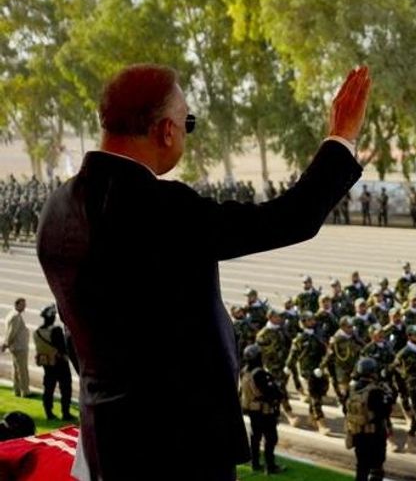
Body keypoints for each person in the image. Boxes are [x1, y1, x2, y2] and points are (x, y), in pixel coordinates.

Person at [36, 63, 370, 481]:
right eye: (187, 121)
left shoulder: (55, 209)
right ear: (166, 131)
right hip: (179, 445)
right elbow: (288, 219)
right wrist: (342, 137)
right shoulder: (160, 209)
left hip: (105, 433)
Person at [345, 356, 395, 481]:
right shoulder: (375, 391)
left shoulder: (351, 389)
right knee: (376, 468)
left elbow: (345, 409)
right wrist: (388, 395)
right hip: (374, 435)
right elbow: (384, 412)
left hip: (357, 433)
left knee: (361, 468)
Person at [239, 343, 284, 474]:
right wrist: (278, 392)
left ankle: (255, 463)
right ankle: (270, 466)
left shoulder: (244, 371)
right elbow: (272, 393)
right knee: (270, 438)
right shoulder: (259, 373)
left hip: (252, 410)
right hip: (264, 411)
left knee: (255, 437)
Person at [33, 304, 73, 421]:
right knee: (65, 388)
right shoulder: (56, 330)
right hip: (60, 363)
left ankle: (48, 412)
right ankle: (65, 413)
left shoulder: (37, 332)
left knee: (48, 389)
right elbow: (62, 346)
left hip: (47, 364)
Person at [2, 298, 30, 398]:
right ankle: (24, 391)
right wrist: (5, 344)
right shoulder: (16, 316)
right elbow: (11, 332)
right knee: (22, 370)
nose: (24, 306)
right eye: (22, 304)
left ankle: (17, 390)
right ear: (17, 304)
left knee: (16, 369)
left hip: (16, 346)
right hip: (19, 347)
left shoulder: (12, 314)